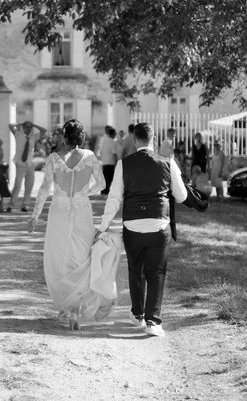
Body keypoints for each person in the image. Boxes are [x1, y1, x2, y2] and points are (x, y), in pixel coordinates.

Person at [97, 122, 188, 337]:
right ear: (153, 138)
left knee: (135, 269)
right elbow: (182, 196)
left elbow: (114, 198)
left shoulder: (123, 164)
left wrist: (103, 226)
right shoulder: (168, 163)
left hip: (132, 225)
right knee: (156, 272)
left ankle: (137, 314)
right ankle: (152, 321)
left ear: (135, 139)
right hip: (159, 224)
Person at [27, 119, 112, 331]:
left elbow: (45, 189)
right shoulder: (90, 157)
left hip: (60, 211)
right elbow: (102, 184)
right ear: (81, 137)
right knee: (81, 256)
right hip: (82, 209)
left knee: (61, 256)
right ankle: (75, 308)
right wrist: (84, 193)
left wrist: (35, 216)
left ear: (64, 137)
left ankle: (67, 305)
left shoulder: (54, 159)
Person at [8, 120, 46, 212]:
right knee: (17, 185)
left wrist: (34, 124)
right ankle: (11, 205)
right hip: (20, 163)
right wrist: (21, 124)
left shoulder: (33, 136)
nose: (28, 129)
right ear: (23, 127)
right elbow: (10, 125)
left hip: (29, 163)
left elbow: (44, 130)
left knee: (29, 185)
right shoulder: (18, 133)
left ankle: (25, 204)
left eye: (30, 127)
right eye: (26, 127)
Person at [99, 126, 118, 195]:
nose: (115, 135)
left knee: (105, 177)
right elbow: (114, 153)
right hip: (111, 162)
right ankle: (106, 190)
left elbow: (100, 151)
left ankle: (104, 190)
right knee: (110, 177)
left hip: (104, 162)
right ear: (112, 134)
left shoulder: (103, 141)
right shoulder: (112, 142)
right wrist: (116, 162)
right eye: (115, 134)